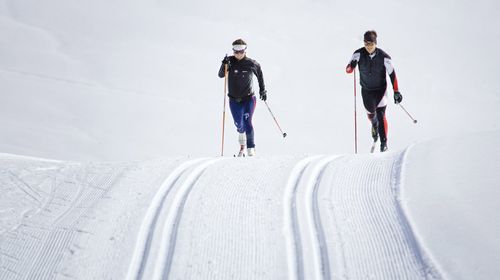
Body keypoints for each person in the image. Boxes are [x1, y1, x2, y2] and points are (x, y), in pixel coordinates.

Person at [346, 30, 403, 152]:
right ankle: (374, 125)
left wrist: (396, 91)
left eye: (371, 44)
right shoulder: (358, 54)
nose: (368, 47)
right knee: (371, 116)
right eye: (366, 44)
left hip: (380, 91)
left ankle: (384, 143)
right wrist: (352, 65)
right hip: (366, 91)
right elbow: (348, 70)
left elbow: (392, 74)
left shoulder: (384, 57)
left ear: (375, 43)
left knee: (381, 114)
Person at [218, 39, 267, 157]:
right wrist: (223, 65)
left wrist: (262, 90)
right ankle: (242, 145)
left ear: (245, 50)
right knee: (239, 124)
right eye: (236, 51)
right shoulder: (229, 61)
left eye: (241, 51)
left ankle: (251, 149)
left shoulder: (251, 63)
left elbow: (259, 73)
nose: (238, 54)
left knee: (247, 122)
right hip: (234, 100)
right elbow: (220, 75)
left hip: (249, 99)